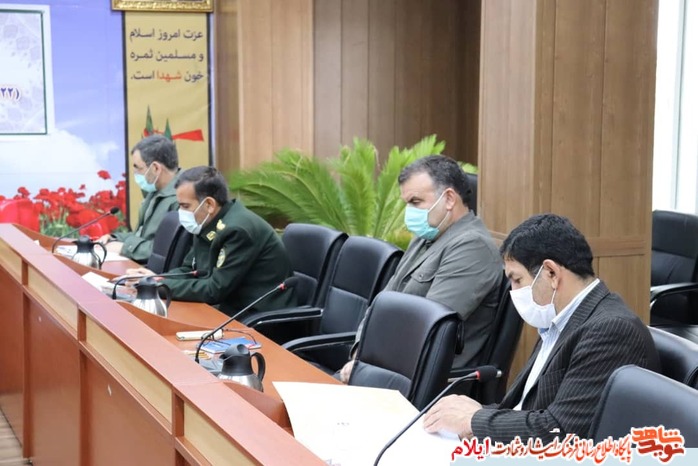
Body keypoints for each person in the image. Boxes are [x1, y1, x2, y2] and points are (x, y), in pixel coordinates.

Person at [423, 213, 660, 444]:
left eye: (517, 280)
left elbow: (559, 432)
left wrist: (474, 420)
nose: (512, 291)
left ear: (551, 273)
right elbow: (529, 408)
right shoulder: (559, 318)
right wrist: (475, 414)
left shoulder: (610, 331)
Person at [339, 155, 502, 382]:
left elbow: (426, 328)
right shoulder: (425, 237)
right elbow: (380, 304)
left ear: (449, 199)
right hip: (385, 368)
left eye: (415, 202)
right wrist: (359, 352)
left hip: (421, 382)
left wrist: (367, 364)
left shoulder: (473, 247)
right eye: (407, 203)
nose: (409, 212)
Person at [127, 166, 297, 316]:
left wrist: (159, 287)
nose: (181, 212)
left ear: (209, 204)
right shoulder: (207, 221)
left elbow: (214, 290)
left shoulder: (237, 230)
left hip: (258, 316)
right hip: (230, 308)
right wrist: (156, 279)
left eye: (185, 206)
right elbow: (190, 269)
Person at [98, 134, 180, 263]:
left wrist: (124, 248)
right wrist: (114, 238)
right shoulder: (155, 190)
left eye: (138, 167)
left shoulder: (182, 198)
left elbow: (167, 251)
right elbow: (141, 236)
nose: (135, 173)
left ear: (155, 168)